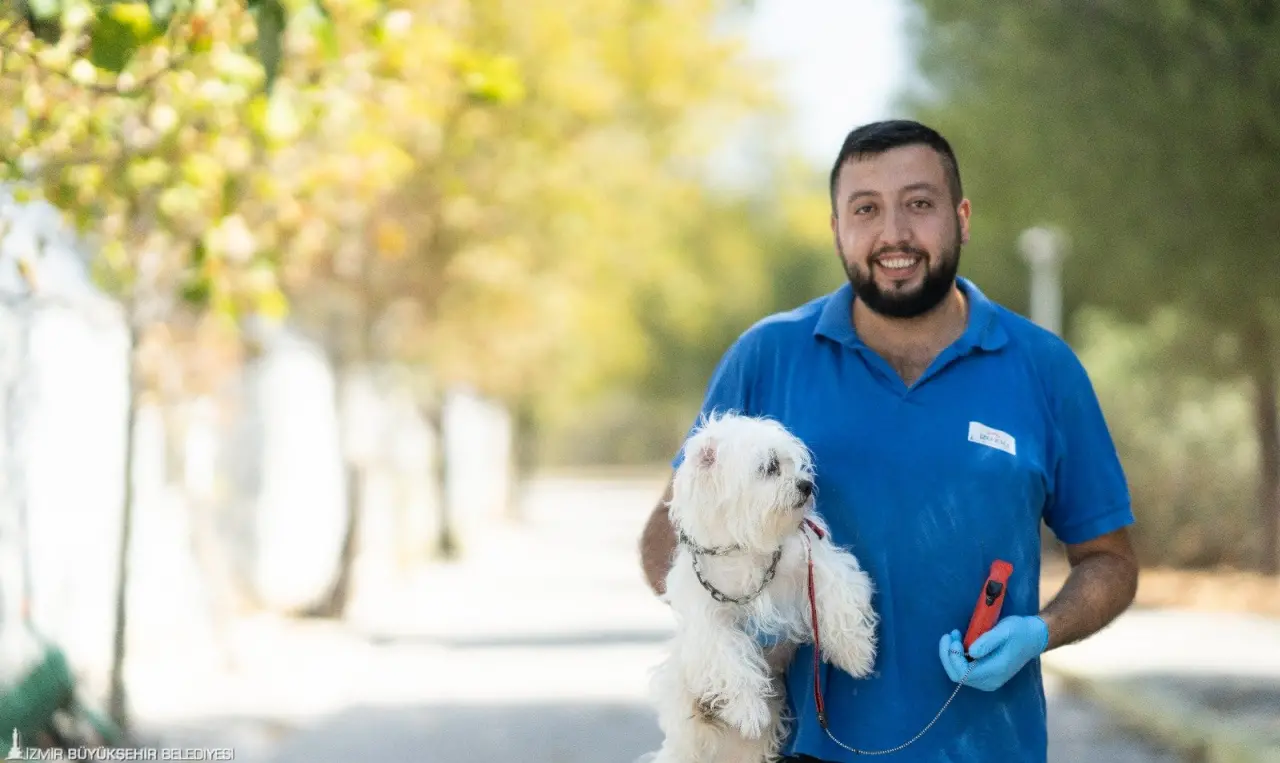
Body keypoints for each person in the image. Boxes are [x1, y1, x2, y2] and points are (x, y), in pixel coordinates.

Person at [637, 119, 1139, 762]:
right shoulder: (767, 357)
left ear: (961, 218)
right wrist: (740, 621)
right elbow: (669, 528)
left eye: (919, 205)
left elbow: (1111, 560)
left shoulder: (1043, 367)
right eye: (866, 209)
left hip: (989, 749)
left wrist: (1041, 631)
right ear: (836, 227)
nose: (894, 234)